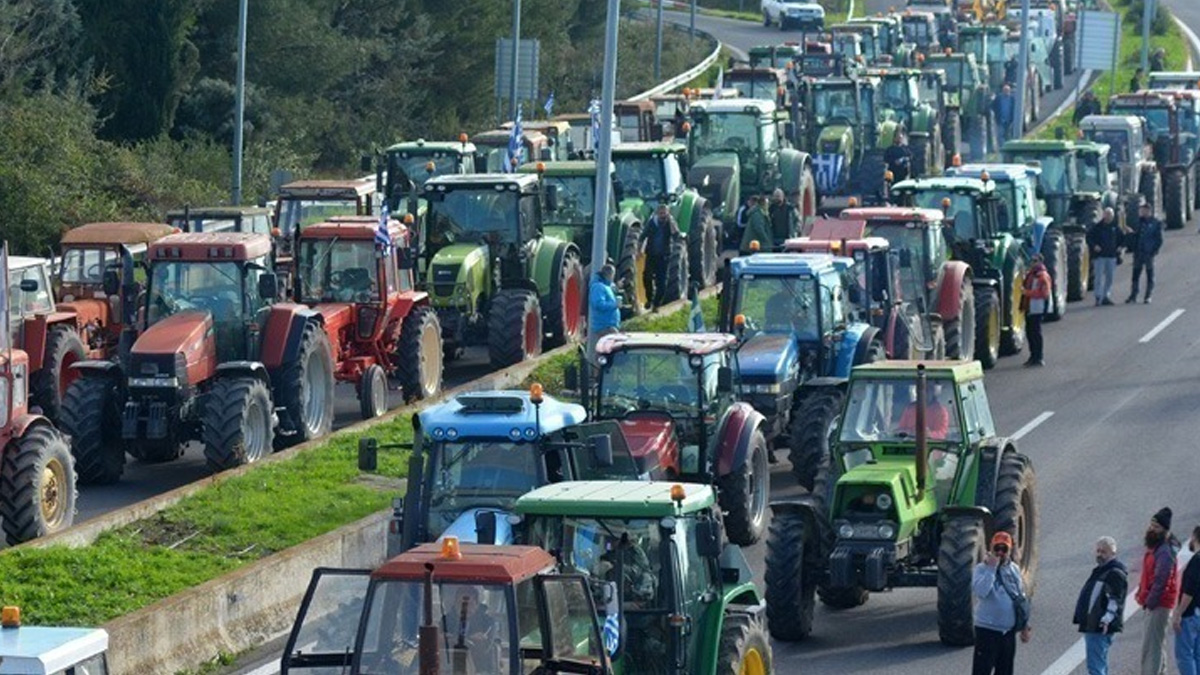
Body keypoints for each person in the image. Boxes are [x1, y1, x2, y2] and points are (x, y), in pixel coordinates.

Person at [972, 531, 1033, 675]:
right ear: (991, 549)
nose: (1000, 552)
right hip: (987, 631)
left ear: (1009, 551)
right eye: (997, 548)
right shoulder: (981, 569)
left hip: (1007, 633)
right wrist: (991, 569)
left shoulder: (1014, 570)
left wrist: (1025, 625)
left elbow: (1020, 597)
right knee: (982, 671)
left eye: (1004, 549)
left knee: (1005, 671)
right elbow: (981, 591)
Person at [1073, 536, 1128, 675]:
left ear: (1113, 553)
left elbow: (1115, 600)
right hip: (1094, 624)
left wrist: (1106, 620)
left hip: (1099, 626)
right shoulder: (1103, 570)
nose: (1099, 554)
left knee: (1095, 667)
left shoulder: (1114, 573)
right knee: (1099, 664)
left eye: (1103, 551)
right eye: (1098, 551)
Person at [1138, 507, 1180, 675]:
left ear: (1164, 529)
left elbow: (1161, 581)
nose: (1151, 529)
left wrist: (1150, 602)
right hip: (1157, 602)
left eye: (1156, 526)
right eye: (1151, 525)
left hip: (1158, 604)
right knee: (1157, 644)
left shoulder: (1163, 551)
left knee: (1150, 648)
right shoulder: (1159, 547)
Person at [641, 203, 681, 307]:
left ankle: (657, 304)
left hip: (664, 256)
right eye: (660, 213)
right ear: (657, 214)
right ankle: (649, 298)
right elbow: (643, 236)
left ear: (668, 213)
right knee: (647, 277)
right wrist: (638, 249)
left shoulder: (670, 223)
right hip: (651, 254)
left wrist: (671, 223)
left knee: (662, 282)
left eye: (664, 213)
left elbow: (677, 236)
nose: (662, 215)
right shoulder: (652, 223)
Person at [1126, 198, 1163, 304]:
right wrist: (1131, 234)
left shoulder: (1155, 223)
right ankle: (1133, 295)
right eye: (1142, 210)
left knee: (1149, 274)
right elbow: (1136, 236)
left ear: (1149, 211)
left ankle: (1148, 295)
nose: (1143, 212)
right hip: (1138, 252)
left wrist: (1154, 250)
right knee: (1135, 274)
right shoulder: (1139, 222)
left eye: (1145, 210)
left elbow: (1159, 239)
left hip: (1148, 253)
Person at [1175, 526, 1200, 675]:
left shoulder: (1196, 561)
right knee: (1197, 655)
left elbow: (1189, 591)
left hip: (1190, 614)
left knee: (1184, 655)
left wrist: (1178, 613)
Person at [1087, 207, 1122, 306]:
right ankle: (1098, 296)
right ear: (1103, 215)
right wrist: (1094, 246)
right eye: (1106, 214)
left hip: (1111, 256)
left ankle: (1106, 296)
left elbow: (1122, 238)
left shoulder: (1115, 227)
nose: (1108, 216)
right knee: (1098, 277)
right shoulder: (1097, 227)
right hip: (1100, 257)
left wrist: (1120, 247)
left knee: (1109, 277)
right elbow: (1089, 237)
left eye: (1110, 215)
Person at [1022, 254, 1052, 367]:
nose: (1032, 263)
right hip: (1030, 307)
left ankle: (1038, 357)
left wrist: (1027, 293)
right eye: (1031, 261)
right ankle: (1032, 356)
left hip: (1037, 308)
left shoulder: (1043, 276)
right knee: (1030, 333)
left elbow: (1044, 293)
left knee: (1036, 333)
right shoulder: (1031, 274)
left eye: (1034, 261)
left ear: (1040, 262)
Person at [588, 264, 621, 362]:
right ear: (609, 275)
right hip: (604, 325)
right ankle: (599, 370)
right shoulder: (598, 287)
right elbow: (598, 304)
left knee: (608, 349)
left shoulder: (605, 286)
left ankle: (601, 369)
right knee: (608, 348)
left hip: (608, 324)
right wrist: (615, 305)